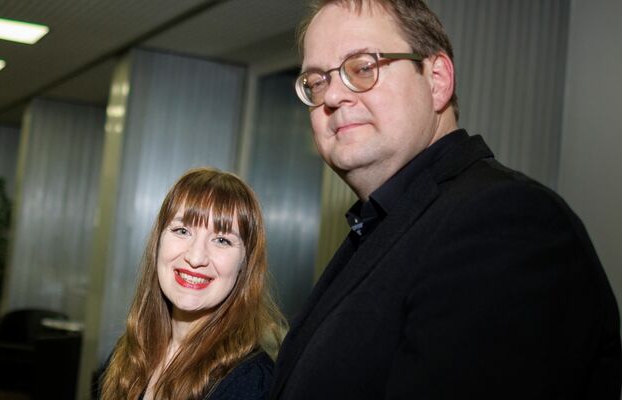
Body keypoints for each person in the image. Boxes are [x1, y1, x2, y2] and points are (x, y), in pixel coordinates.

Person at [270, 0, 622, 399]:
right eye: (316, 81)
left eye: (363, 67)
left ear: (437, 79)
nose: (332, 95)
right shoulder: (383, 224)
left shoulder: (506, 223)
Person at [100, 167, 285, 400]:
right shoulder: (128, 355)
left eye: (221, 240)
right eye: (182, 230)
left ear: (244, 264)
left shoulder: (251, 384)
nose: (196, 258)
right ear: (158, 242)